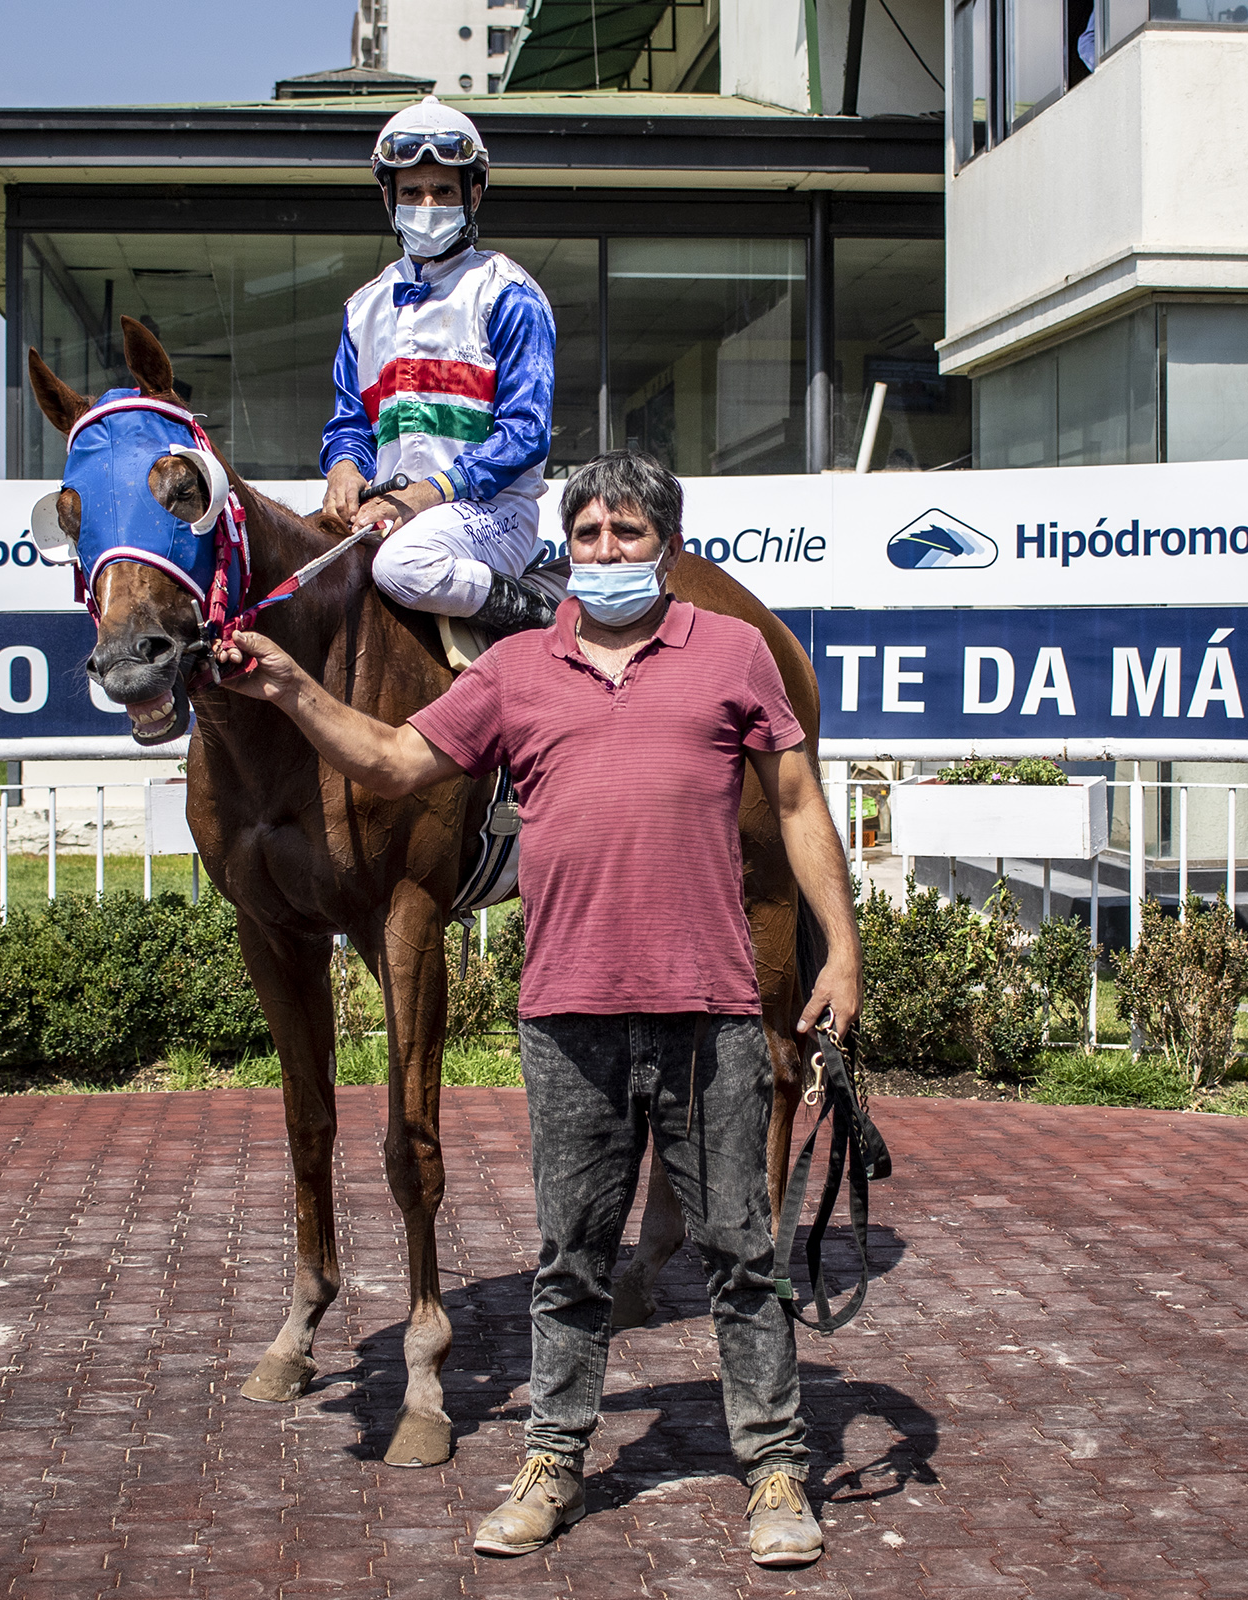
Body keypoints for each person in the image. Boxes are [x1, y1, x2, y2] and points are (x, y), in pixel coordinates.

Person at [217, 451, 864, 1569]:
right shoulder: (517, 667)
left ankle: (774, 1470)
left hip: (711, 1009)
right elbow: (392, 758)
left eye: (627, 533)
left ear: (666, 544)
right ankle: (554, 1461)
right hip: (568, 1014)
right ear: (566, 548)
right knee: (568, 1261)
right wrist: (289, 688)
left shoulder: (733, 653)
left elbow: (799, 804)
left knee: (742, 1256)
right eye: (589, 534)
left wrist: (841, 950)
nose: (606, 552)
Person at [320, 96, 562, 638]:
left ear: (472, 195)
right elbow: (350, 424)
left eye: (443, 191)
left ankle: (542, 612)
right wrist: (344, 468)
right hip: (389, 508)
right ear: (390, 198)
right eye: (412, 192)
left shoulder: (509, 294)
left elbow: (526, 434)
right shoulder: (363, 308)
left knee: (401, 565)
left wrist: (425, 493)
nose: (427, 204)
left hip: (493, 511)